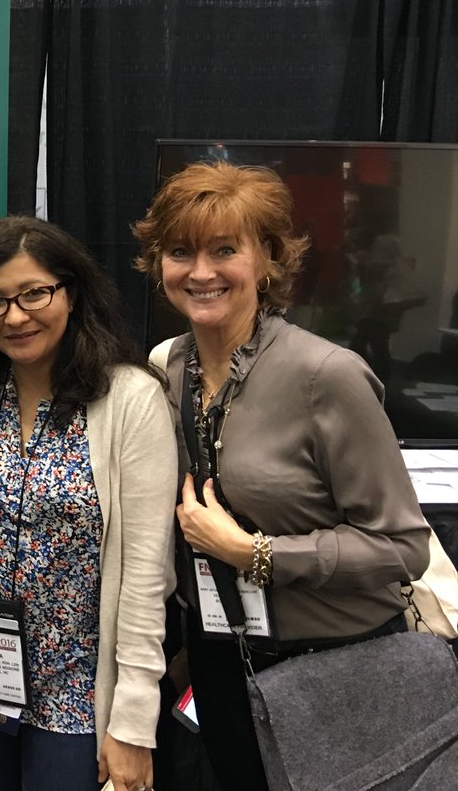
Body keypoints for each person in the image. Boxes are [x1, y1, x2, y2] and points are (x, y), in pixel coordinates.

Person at [131, 161, 432, 791]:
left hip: (333, 667)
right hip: (221, 658)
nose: (202, 272)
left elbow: (404, 548)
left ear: (268, 259)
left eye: (224, 250)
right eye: (181, 251)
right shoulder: (165, 368)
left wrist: (254, 552)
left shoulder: (329, 376)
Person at [0, 216, 176, 791]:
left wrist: (134, 723)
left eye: (34, 293)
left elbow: (145, 576)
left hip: (75, 689)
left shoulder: (129, 399)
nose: (15, 316)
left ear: (72, 292)